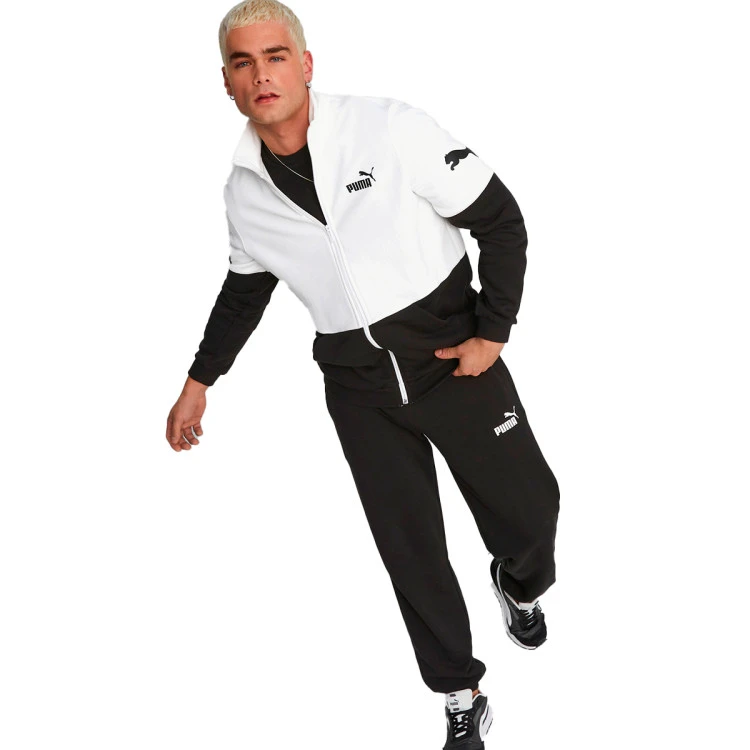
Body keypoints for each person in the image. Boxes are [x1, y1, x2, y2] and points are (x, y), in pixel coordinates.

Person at [165, 2, 560, 747]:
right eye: (244, 63)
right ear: (227, 81)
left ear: (305, 63)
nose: (262, 75)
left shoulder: (388, 128)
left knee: (532, 510)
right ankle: (459, 692)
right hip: (358, 388)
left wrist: (493, 332)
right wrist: (198, 382)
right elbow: (244, 291)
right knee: (409, 548)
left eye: (275, 56)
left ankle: (521, 583)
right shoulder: (243, 191)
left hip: (453, 358)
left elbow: (501, 220)